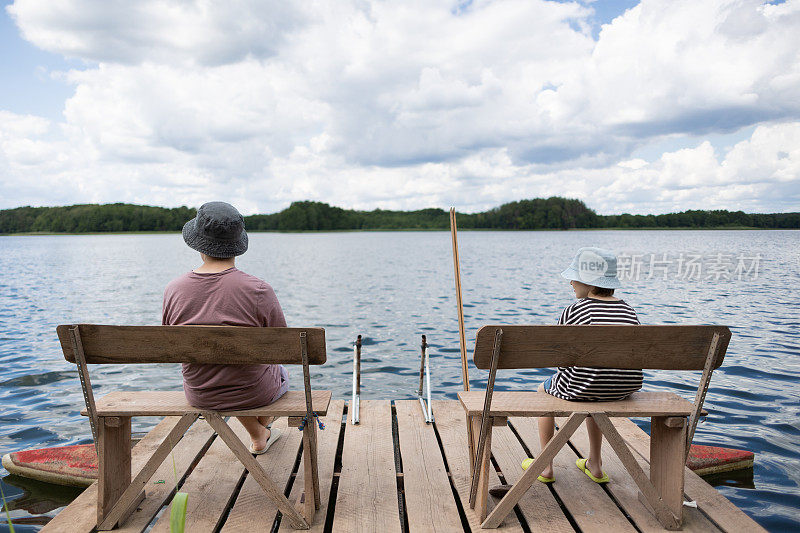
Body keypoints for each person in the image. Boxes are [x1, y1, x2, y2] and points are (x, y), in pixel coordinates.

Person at [162, 201, 288, 454]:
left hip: (200, 393)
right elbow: (283, 346)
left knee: (225, 370)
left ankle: (259, 434)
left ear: (198, 244)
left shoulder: (174, 289)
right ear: (237, 245)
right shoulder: (258, 289)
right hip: (254, 393)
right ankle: (261, 430)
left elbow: (170, 342)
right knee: (272, 367)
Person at [535, 247, 641, 484]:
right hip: (622, 389)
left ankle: (545, 466)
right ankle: (595, 463)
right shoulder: (628, 311)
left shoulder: (575, 310)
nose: (571, 281)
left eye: (575, 277)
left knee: (544, 391)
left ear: (591, 283)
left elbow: (559, 358)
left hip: (585, 389)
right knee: (597, 385)